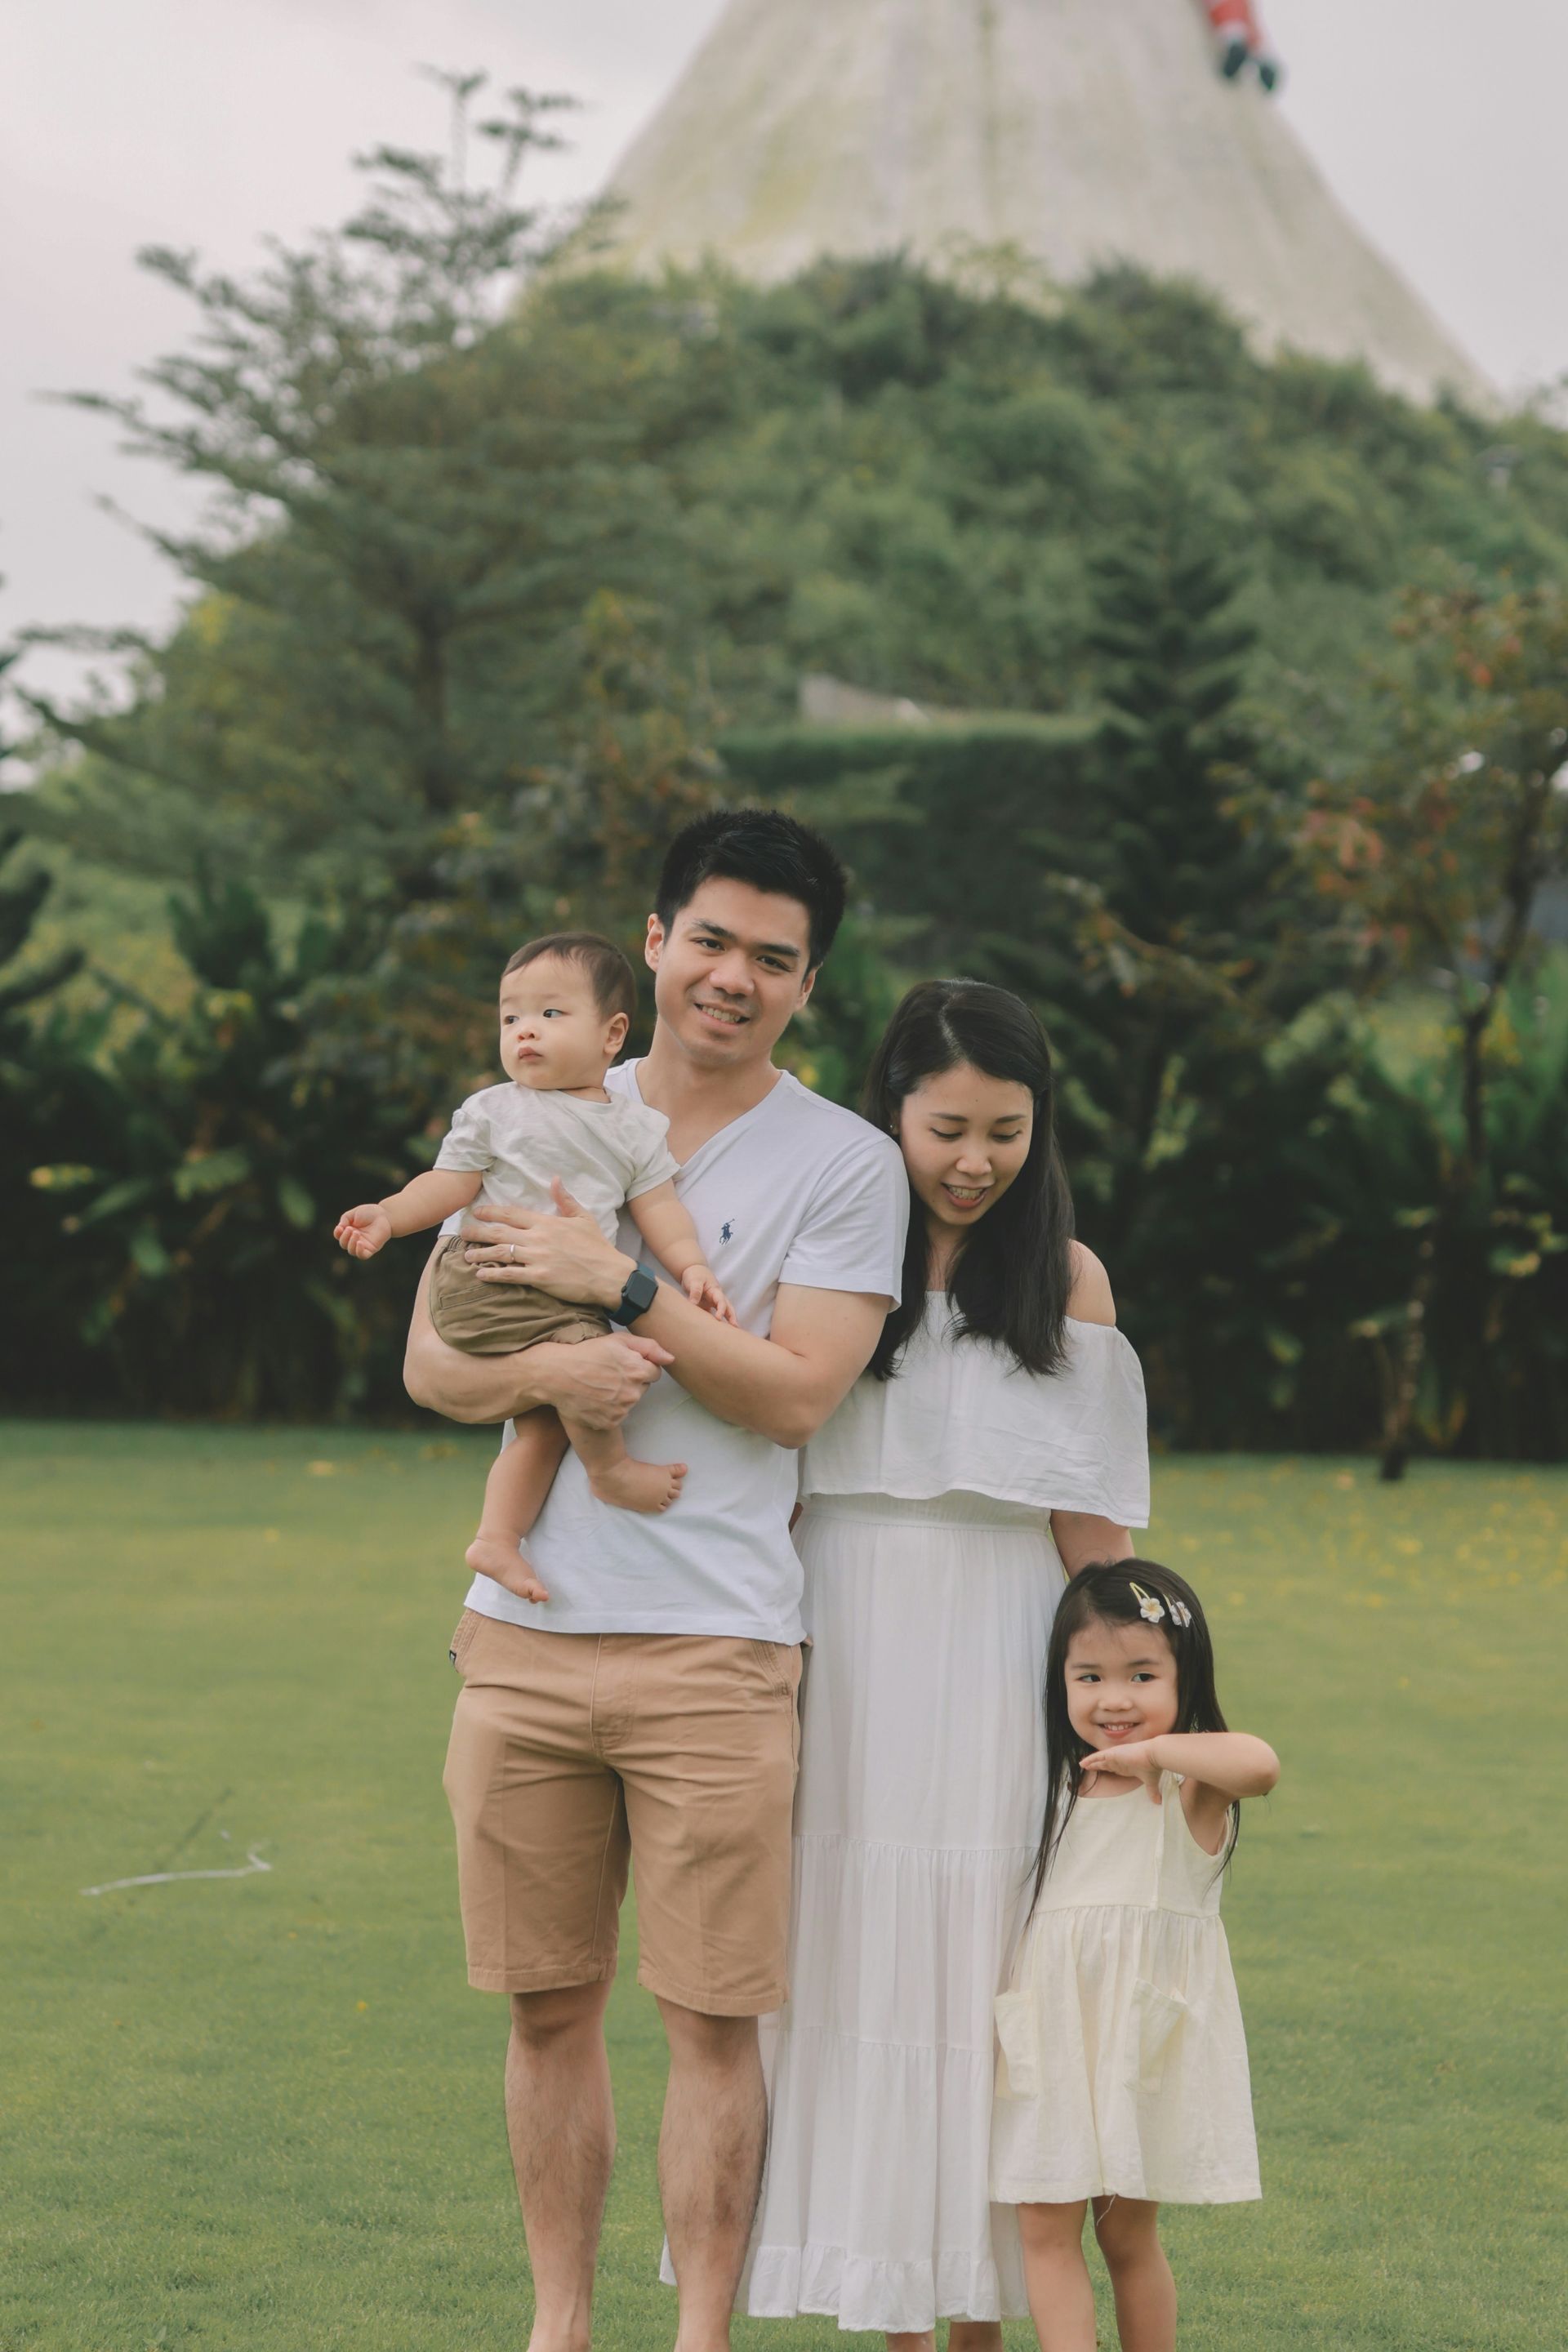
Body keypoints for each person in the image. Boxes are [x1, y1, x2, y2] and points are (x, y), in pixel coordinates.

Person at [401, 809, 908, 2352]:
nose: (734, 979)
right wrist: (559, 1356)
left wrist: (615, 1283)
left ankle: (699, 2340)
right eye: (711, 942)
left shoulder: (847, 1162)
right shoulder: (541, 1093)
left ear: (809, 983)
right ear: (653, 944)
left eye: (774, 958)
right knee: (545, 2007)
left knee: (711, 2021)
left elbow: (796, 1394)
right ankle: (559, 2327)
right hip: (529, 1636)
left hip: (720, 1649)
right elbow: (433, 1362)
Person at [743, 978, 1149, 2345]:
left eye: (1008, 1132)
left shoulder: (1068, 1280)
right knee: (849, 1971)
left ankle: (979, 2320)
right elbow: (771, 1484)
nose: (976, 1162)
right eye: (947, 1128)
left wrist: (1138, 1717)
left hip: (1000, 1656)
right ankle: (889, 2319)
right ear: (891, 1114)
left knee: (985, 1986)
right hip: (842, 1637)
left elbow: (1096, 1542)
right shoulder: (829, 1256)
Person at [333, 931, 733, 1602]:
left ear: (612, 1035)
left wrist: (692, 1268)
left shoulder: (633, 1127)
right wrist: (391, 1215)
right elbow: (448, 1185)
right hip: (490, 1277)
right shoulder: (495, 1110)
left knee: (545, 1422)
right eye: (510, 1017)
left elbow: (661, 1209)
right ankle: (611, 1472)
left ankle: (496, 1537)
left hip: (567, 1298)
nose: (524, 1032)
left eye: (550, 1014)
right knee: (593, 1367)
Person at [991, 1559, 1278, 2352]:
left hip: (1134, 2050)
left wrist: (1156, 1756)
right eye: (1090, 1676)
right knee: (1044, 2229)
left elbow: (1261, 1764)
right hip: (1049, 2039)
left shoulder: (1188, 1791)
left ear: (1186, 1680)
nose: (1114, 1699)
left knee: (1126, 2239)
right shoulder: (1050, 1783)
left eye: (1142, 1674)